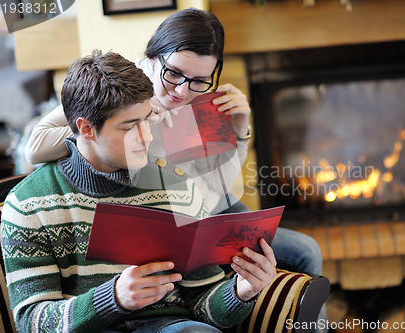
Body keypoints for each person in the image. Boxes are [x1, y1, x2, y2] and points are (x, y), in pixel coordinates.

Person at [25, 8, 323, 282]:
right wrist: (136, 119)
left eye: (199, 80)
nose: (183, 90)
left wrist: (240, 130)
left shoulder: (203, 97)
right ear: (154, 57)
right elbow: (35, 146)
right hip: (166, 217)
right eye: (174, 74)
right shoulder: (121, 88)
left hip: (208, 206)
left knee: (306, 251)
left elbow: (217, 181)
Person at [1, 50, 277, 333]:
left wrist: (241, 292)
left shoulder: (176, 186)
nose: (146, 136)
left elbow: (203, 303)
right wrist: (113, 298)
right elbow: (30, 323)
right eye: (130, 126)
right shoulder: (28, 205)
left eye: (146, 119)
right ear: (86, 129)